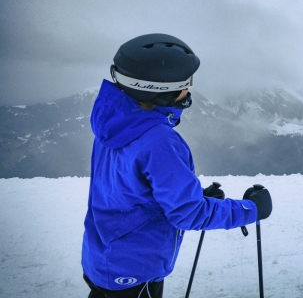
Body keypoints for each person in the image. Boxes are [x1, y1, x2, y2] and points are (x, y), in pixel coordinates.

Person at [81, 34, 272, 298]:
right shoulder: (159, 140)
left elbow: (127, 190)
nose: (189, 91)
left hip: (103, 262)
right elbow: (189, 214)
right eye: (186, 83)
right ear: (162, 91)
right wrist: (251, 209)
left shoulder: (112, 124)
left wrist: (189, 195)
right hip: (136, 272)